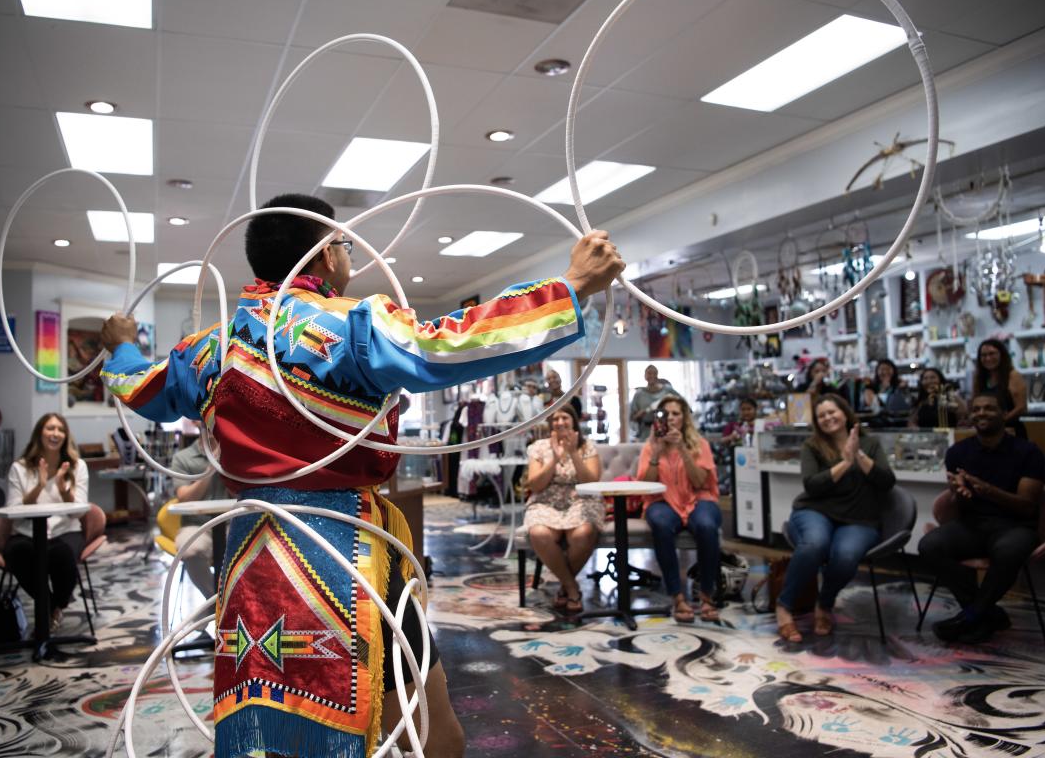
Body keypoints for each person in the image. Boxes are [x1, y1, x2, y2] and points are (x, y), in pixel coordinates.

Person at [100, 192, 624, 758]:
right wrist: (569, 286)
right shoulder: (349, 323)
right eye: (345, 246)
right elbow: (449, 343)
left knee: (272, 723)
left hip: (253, 557)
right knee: (435, 732)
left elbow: (141, 386)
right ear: (327, 254)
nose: (350, 258)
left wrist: (122, 345)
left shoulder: (211, 349)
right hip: (349, 555)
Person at [919, 392, 1044, 644]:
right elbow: (959, 503)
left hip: (1015, 525)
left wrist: (987, 489)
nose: (981, 413)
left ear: (1003, 413)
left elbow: (1027, 506)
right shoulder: (958, 452)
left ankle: (972, 615)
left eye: (989, 408)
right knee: (929, 545)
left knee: (1008, 552)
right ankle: (986, 612)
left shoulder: (1028, 452)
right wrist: (960, 494)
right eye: (976, 409)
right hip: (972, 524)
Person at [775, 394, 894, 643]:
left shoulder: (869, 443)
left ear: (845, 412)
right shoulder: (812, 446)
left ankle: (825, 604)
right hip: (815, 512)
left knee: (846, 555)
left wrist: (858, 455)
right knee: (815, 545)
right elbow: (812, 485)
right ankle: (784, 606)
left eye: (832, 412)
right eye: (822, 416)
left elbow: (886, 482)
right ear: (817, 422)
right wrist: (845, 462)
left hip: (859, 519)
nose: (828, 418)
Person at [638, 395, 721, 623]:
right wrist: (656, 453)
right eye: (667, 414)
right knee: (661, 523)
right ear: (658, 419)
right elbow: (646, 485)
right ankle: (677, 596)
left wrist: (683, 449)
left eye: (676, 413)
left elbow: (699, 482)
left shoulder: (700, 445)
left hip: (699, 497)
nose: (672, 418)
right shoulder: (650, 446)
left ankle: (706, 593)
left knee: (706, 525)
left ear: (685, 418)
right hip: (662, 500)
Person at [3, 413, 89, 633]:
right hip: (27, 531)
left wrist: (63, 490)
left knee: (63, 555)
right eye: (50, 428)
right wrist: (39, 486)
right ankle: (51, 607)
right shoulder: (19, 468)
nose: (56, 434)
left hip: (65, 529)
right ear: (39, 433)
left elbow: (78, 512)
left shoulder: (77, 466)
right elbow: (13, 510)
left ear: (66, 436)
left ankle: (56, 606)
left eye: (61, 429)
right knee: (18, 552)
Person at [523, 405, 602, 614]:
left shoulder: (587, 447)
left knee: (583, 534)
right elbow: (535, 485)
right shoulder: (539, 447)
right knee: (539, 533)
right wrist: (555, 459)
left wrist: (573, 453)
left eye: (564, 417)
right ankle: (572, 588)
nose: (559, 422)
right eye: (555, 418)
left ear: (574, 421)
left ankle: (565, 587)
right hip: (546, 500)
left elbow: (591, 482)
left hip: (581, 499)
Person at [169, 437, 229, 599]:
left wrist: (229, 463)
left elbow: (244, 493)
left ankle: (237, 601)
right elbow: (184, 498)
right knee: (190, 550)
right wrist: (210, 469)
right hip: (196, 524)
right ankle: (215, 601)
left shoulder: (236, 452)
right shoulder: (183, 458)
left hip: (232, 521)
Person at [973, 338, 1027, 439]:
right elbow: (974, 403)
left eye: (992, 354)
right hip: (986, 433)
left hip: (1011, 432)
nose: (988, 358)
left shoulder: (1013, 376)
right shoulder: (978, 378)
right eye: (983, 355)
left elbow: (1021, 408)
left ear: (1002, 355)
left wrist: (1000, 421)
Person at [628, 364, 673, 441]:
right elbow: (632, 418)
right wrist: (641, 414)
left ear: (657, 375)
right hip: (646, 434)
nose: (651, 376)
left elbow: (681, 404)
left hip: (665, 431)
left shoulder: (667, 391)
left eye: (654, 373)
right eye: (649, 373)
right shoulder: (639, 394)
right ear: (645, 376)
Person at [863, 359, 911, 425]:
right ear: (877, 371)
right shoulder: (871, 387)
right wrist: (884, 389)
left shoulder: (899, 385)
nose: (885, 372)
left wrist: (902, 390)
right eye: (882, 369)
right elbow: (873, 406)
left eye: (888, 369)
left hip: (899, 422)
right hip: (878, 424)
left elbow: (907, 403)